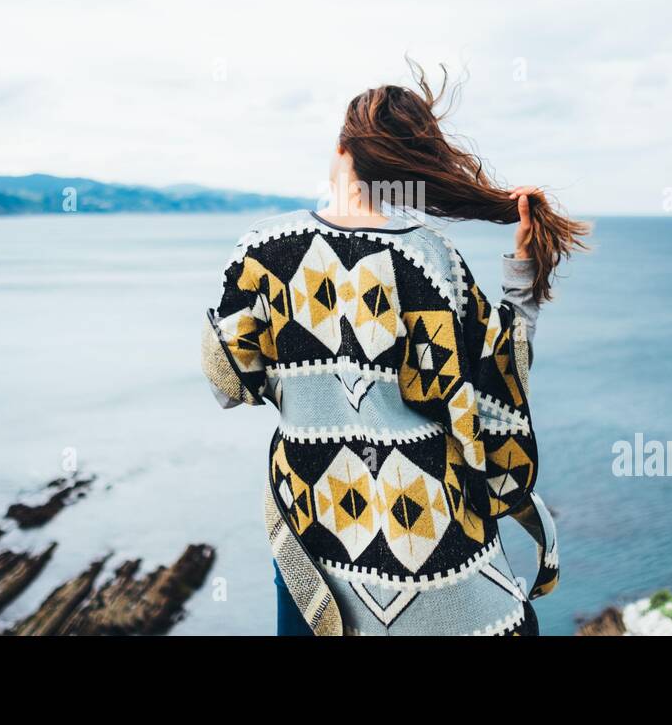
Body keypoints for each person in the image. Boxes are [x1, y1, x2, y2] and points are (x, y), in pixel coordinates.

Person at [201, 72, 588, 635]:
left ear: (341, 148)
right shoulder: (433, 261)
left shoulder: (260, 250)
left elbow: (228, 385)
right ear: (411, 173)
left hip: (318, 539)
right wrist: (523, 273)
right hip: (440, 553)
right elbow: (499, 380)